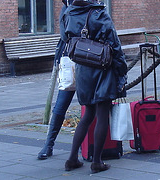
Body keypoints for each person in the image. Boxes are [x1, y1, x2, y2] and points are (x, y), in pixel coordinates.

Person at [61, 0, 127, 173]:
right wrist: (122, 71)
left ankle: (72, 158)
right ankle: (97, 162)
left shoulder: (69, 13)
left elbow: (65, 38)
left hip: (83, 68)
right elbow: (115, 44)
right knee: (102, 115)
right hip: (102, 67)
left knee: (88, 114)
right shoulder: (99, 13)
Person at [37, 0, 75, 160]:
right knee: (61, 104)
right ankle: (48, 144)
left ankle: (95, 145)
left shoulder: (88, 6)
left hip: (88, 61)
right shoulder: (68, 9)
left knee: (93, 106)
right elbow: (66, 34)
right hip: (71, 59)